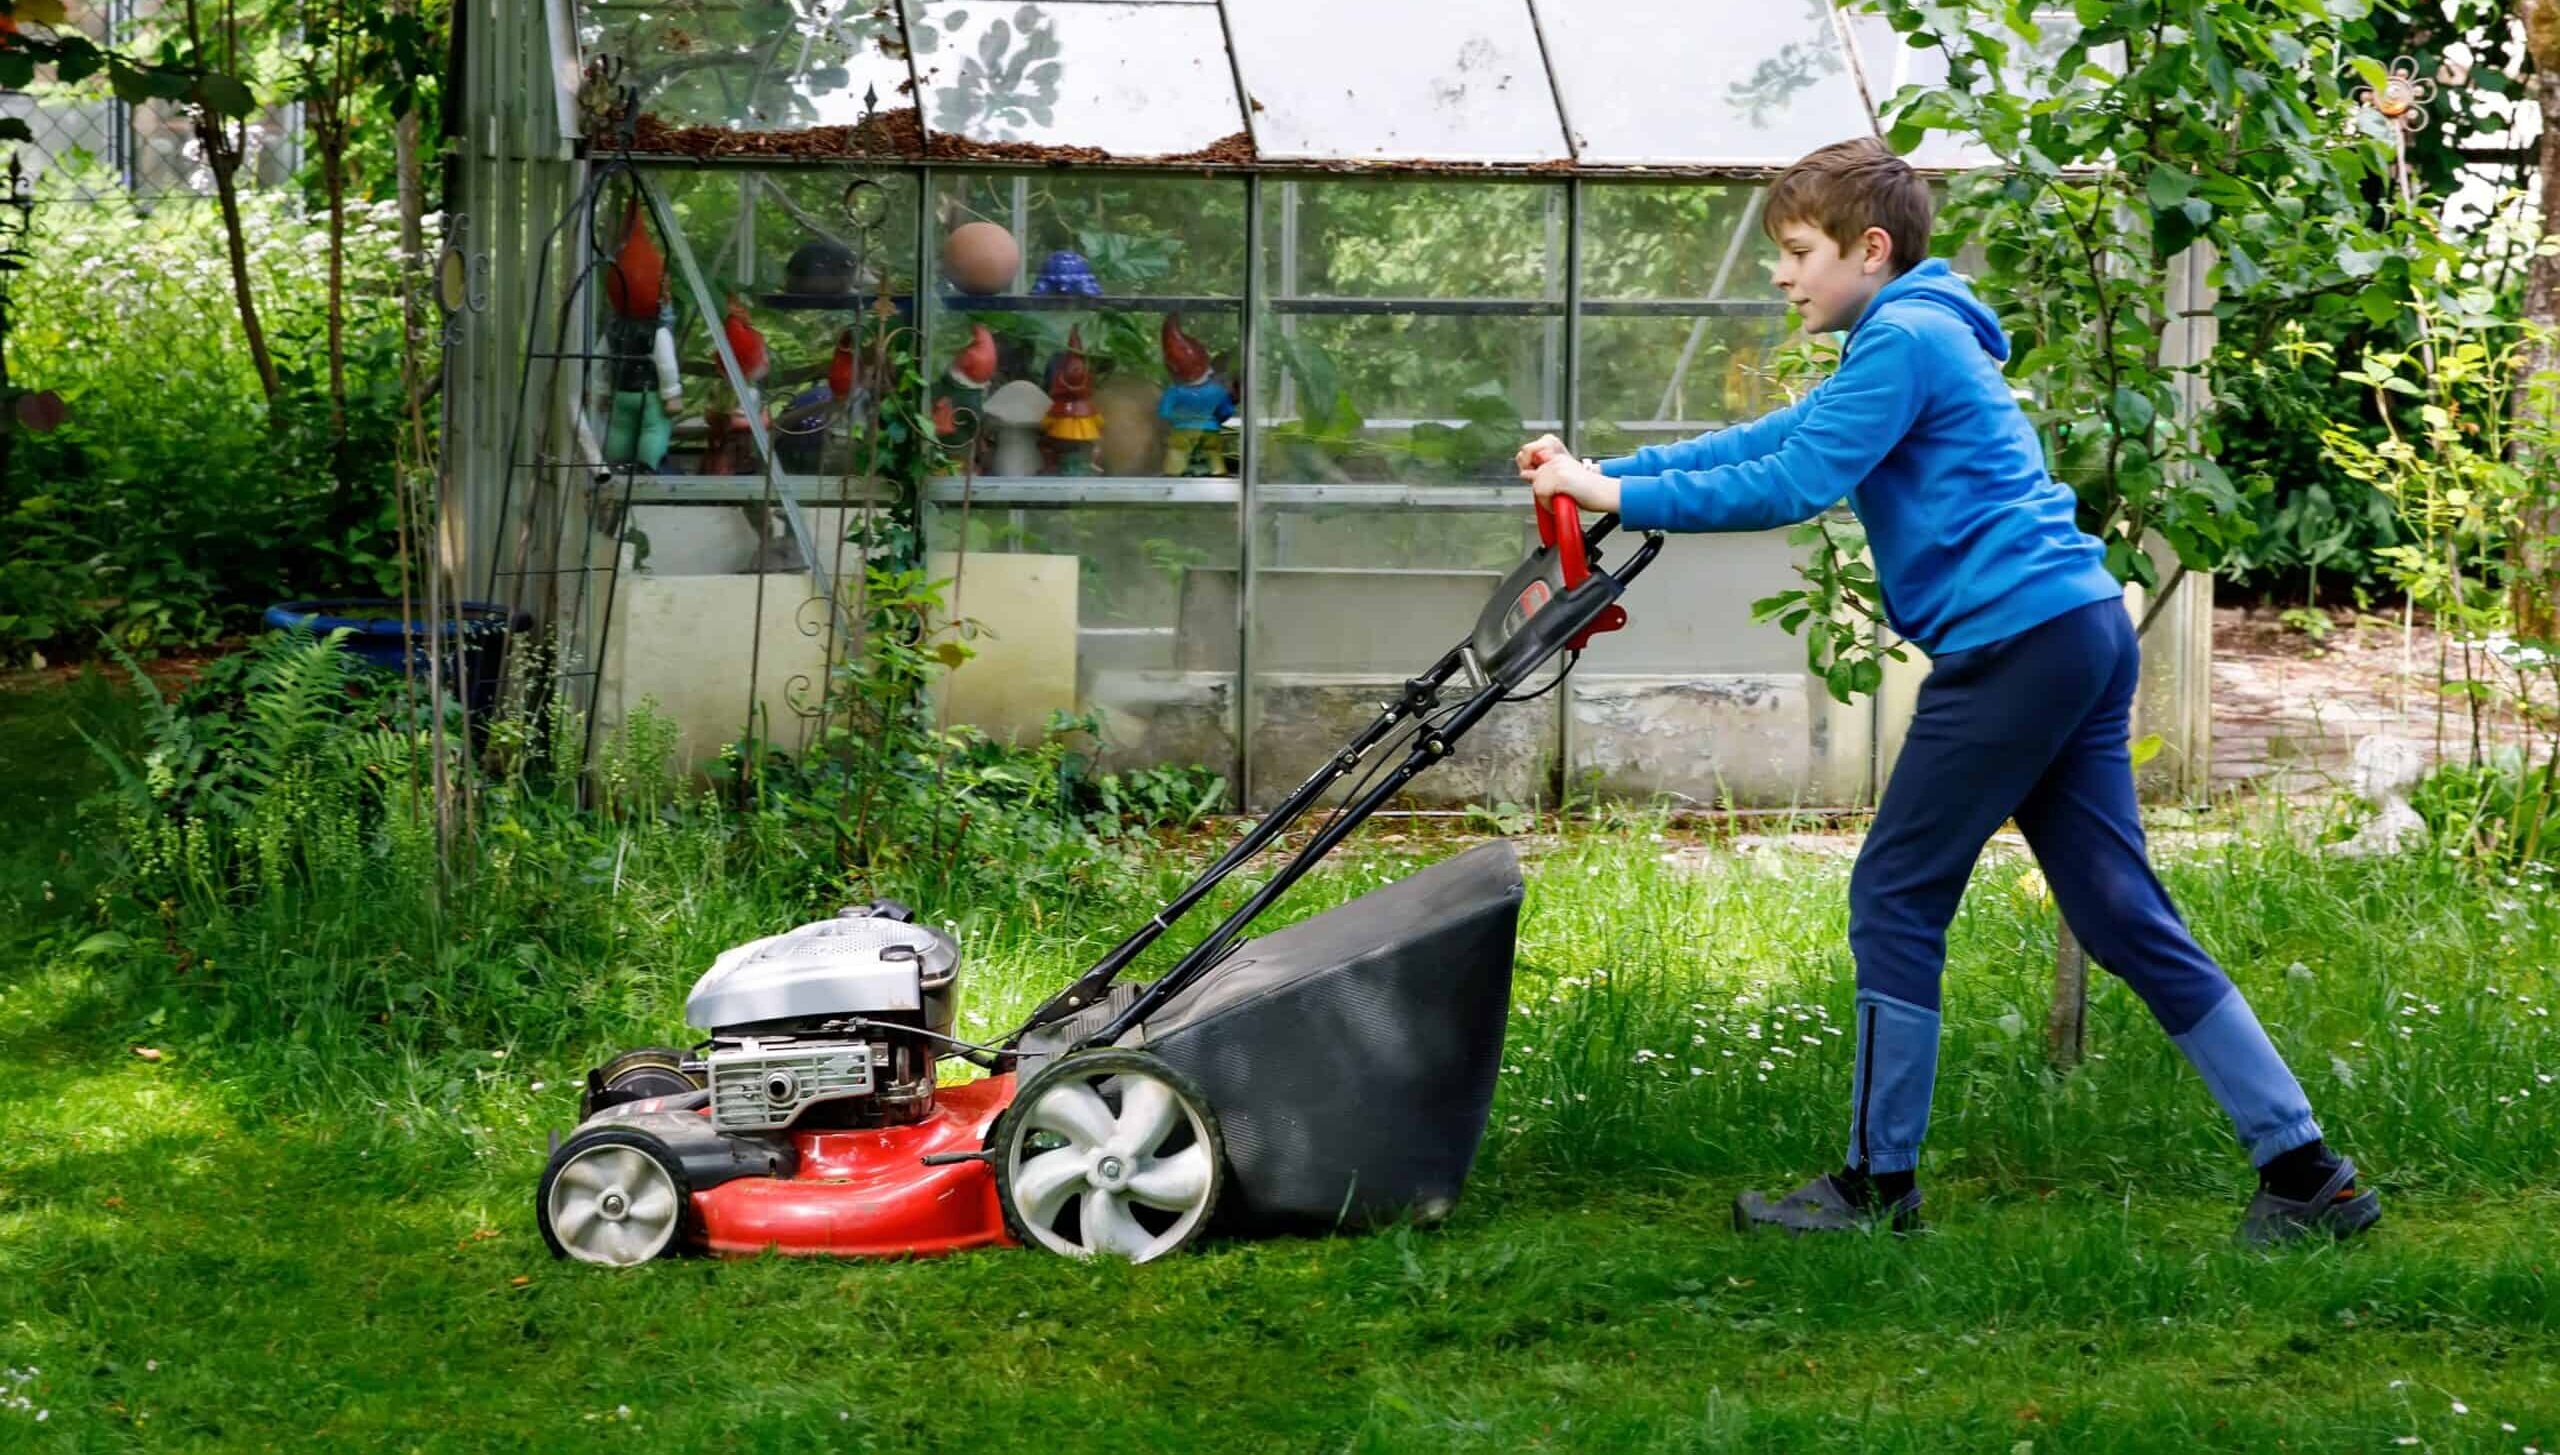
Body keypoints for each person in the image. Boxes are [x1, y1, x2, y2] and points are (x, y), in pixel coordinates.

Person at [1515, 137, 2378, 1244]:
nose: (1780, 276)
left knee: (1895, 892)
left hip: (2018, 646)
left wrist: (1612, 493)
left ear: (1868, 251)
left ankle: (1877, 1190)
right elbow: (1781, 438)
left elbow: (1792, 481)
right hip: (2073, 628)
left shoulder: (1904, 341)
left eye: (1796, 252)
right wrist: (1611, 476)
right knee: (2118, 911)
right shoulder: (1913, 338)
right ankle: (2310, 1178)